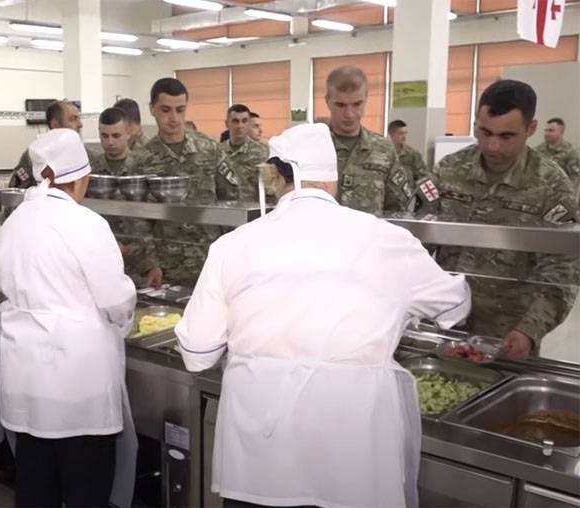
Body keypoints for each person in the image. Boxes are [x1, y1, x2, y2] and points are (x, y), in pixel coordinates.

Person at [175, 123, 471, 508]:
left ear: (277, 179)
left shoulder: (232, 246)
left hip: (262, 460)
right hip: (353, 458)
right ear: (333, 182)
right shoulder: (386, 239)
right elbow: (454, 305)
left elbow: (197, 353)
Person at [0, 129, 137, 508]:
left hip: (25, 372)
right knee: (85, 485)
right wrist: (125, 319)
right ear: (81, 177)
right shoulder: (85, 223)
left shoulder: (16, 220)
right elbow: (116, 299)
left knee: (35, 481)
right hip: (77, 379)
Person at [434, 79, 578, 360]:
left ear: (531, 129)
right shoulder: (449, 170)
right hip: (444, 321)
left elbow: (564, 269)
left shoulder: (551, 184)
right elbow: (419, 241)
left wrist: (529, 329)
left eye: (506, 136)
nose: (493, 146)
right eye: (484, 131)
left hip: (509, 332)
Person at [140, 77, 230, 287]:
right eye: (165, 110)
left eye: (180, 110)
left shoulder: (209, 149)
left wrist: (230, 253)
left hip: (210, 258)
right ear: (152, 109)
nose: (174, 118)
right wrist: (150, 263)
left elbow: (232, 200)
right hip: (166, 263)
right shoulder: (141, 159)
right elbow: (139, 220)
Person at [91, 107, 163, 288]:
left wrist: (154, 264)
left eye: (116, 135)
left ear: (128, 134)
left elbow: (157, 220)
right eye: (104, 136)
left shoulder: (145, 166)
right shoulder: (91, 171)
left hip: (142, 262)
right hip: (101, 261)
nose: (110, 142)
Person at [326, 65, 412, 214]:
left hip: (370, 236)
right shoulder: (310, 146)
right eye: (340, 105)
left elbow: (399, 207)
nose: (349, 114)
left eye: (357, 104)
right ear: (327, 101)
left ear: (366, 100)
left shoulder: (383, 149)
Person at [8, 100, 85, 189]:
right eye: (73, 119)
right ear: (55, 125)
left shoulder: (84, 154)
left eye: (79, 119)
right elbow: (16, 190)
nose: (80, 124)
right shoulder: (33, 156)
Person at [220, 104, 269, 201]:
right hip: (224, 210)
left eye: (244, 121)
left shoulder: (263, 152)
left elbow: (270, 187)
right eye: (235, 121)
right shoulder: (217, 152)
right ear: (227, 123)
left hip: (253, 211)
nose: (240, 126)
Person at [535, 117, 580, 198]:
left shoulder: (571, 152)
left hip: (562, 197)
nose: (547, 133)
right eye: (546, 130)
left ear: (561, 132)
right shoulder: (538, 151)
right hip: (540, 197)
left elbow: (574, 180)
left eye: (551, 130)